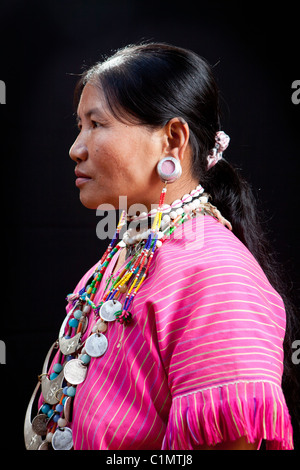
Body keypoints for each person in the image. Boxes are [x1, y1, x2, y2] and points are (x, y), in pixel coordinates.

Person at [25, 42, 299, 451]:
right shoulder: (126, 257)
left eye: (96, 125)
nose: (76, 147)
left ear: (172, 139)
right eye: (79, 125)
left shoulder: (217, 277)